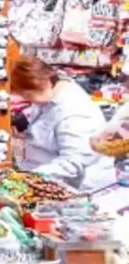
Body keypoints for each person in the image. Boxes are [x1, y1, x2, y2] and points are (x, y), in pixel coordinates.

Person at [8, 55, 116, 193]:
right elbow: (49, 133)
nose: (26, 99)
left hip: (80, 192)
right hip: (49, 181)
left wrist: (28, 179)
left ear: (41, 82)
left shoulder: (74, 111)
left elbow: (72, 163)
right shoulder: (49, 97)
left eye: (27, 95)